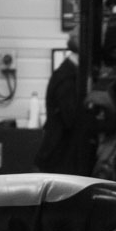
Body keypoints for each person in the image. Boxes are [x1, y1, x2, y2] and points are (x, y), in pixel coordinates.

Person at [35, 32, 93, 176]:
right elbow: (71, 118)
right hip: (60, 157)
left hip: (60, 155)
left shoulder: (66, 74)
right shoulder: (67, 78)